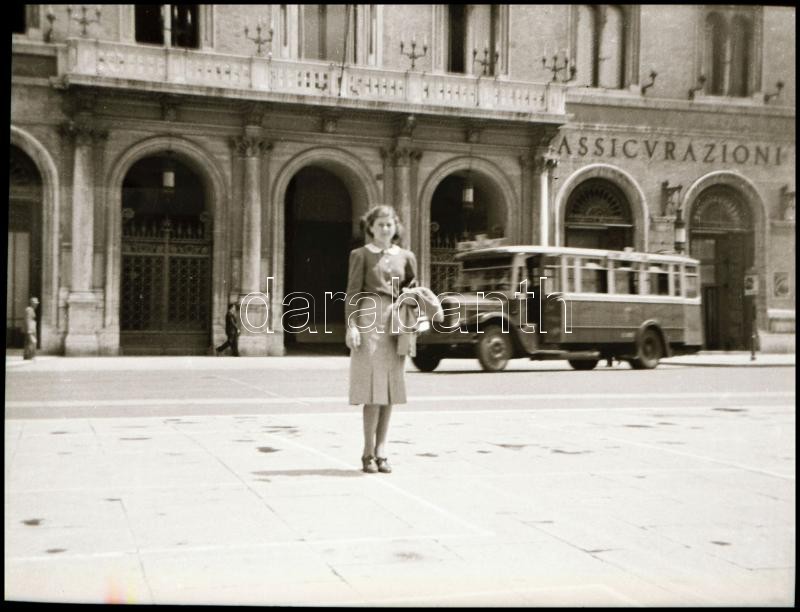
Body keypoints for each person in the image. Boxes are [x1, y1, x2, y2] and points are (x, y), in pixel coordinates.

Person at [345, 205, 417, 474]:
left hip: (397, 320)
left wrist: (414, 319)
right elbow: (352, 292)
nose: (385, 229)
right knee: (371, 391)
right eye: (380, 224)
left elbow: (413, 289)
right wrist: (352, 325)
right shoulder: (360, 255)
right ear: (371, 227)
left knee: (389, 390)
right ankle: (367, 451)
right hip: (369, 317)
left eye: (390, 224)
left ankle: (382, 450)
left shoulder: (407, 256)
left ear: (396, 227)